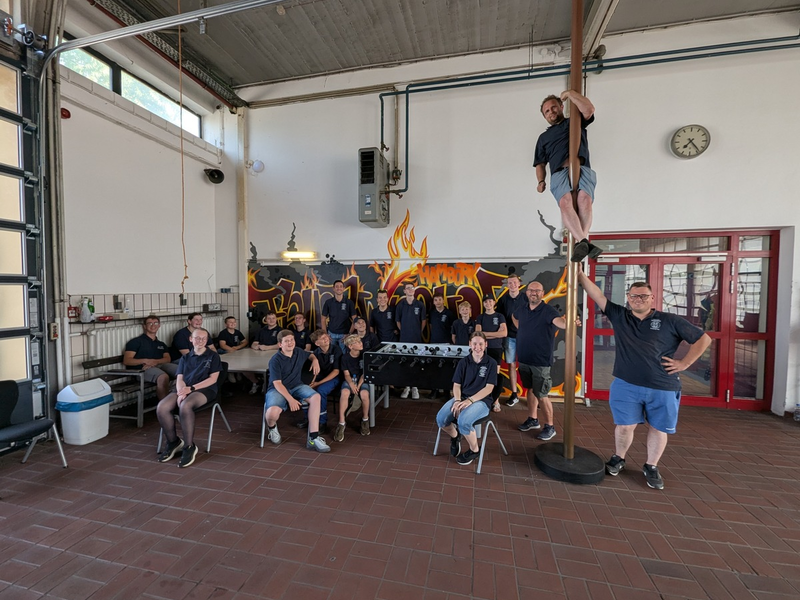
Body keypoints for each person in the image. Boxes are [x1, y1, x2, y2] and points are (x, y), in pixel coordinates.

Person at [578, 271, 711, 490]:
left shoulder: (669, 320)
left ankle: (651, 465)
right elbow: (596, 293)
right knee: (623, 427)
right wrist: (579, 272)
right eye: (633, 296)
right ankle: (619, 458)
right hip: (625, 384)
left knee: (658, 429)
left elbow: (703, 339)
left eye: (643, 296)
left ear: (651, 299)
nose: (638, 299)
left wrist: (685, 364)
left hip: (663, 386)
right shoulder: (620, 315)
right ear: (628, 298)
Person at [534, 91, 602, 263]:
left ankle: (582, 241)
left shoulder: (575, 122)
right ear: (544, 116)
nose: (551, 112)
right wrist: (540, 181)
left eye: (553, 107)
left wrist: (570, 93)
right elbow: (540, 163)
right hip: (559, 172)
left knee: (584, 200)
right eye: (547, 111)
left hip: (582, 167)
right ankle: (584, 242)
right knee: (565, 203)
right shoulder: (543, 138)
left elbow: (589, 109)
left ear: (561, 107)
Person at [156, 328, 222, 468]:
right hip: (185, 389)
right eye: (197, 338)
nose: (201, 341)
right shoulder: (185, 358)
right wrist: (181, 391)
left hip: (205, 390)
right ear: (191, 339)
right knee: (162, 407)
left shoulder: (213, 356)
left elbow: (213, 379)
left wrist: (190, 389)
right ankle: (173, 442)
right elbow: (180, 377)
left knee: (185, 406)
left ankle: (189, 446)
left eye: (204, 338)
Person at [513, 281, 569, 442]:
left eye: (537, 291)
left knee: (542, 394)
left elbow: (560, 323)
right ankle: (533, 419)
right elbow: (514, 317)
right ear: (527, 292)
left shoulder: (548, 311)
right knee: (530, 389)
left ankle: (550, 426)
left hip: (540, 361)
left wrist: (568, 323)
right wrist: (522, 328)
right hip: (524, 358)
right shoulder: (522, 309)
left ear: (542, 293)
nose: (533, 293)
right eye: (531, 290)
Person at [435, 332, 497, 466]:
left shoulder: (491, 363)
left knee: (463, 421)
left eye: (481, 344)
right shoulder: (463, 362)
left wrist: (470, 401)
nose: (477, 347)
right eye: (474, 343)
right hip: (462, 398)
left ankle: (474, 450)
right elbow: (456, 385)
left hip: (482, 402)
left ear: (486, 344)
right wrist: (457, 401)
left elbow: (489, 388)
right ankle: (455, 436)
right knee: (441, 419)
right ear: (470, 344)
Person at [264, 330, 331, 453]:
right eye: (286, 341)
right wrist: (290, 400)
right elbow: (277, 384)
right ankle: (272, 428)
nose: (290, 343)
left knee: (316, 397)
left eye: (292, 340)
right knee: (272, 414)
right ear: (280, 345)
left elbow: (310, 354)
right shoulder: (275, 360)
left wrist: (315, 360)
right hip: (278, 389)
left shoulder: (298, 352)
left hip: (297, 386)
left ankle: (313, 437)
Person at [123, 315, 175, 400]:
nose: (153, 325)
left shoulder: (161, 344)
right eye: (149, 323)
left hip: (159, 366)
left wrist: (155, 362)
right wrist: (146, 361)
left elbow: (167, 359)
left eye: (155, 323)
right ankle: (165, 408)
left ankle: (182, 403)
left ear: (159, 325)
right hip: (141, 370)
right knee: (163, 377)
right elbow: (127, 360)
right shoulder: (136, 342)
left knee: (182, 371)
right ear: (144, 326)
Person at [334, 334, 372, 442]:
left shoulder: (364, 355)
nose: (361, 343)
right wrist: (351, 384)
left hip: (361, 380)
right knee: (345, 392)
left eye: (360, 341)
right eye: (358, 342)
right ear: (350, 346)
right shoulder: (345, 357)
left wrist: (358, 386)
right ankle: (341, 423)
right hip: (350, 380)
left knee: (364, 394)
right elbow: (346, 374)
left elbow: (364, 373)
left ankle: (365, 420)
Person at [497, 274, 527, 406]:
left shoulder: (526, 298)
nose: (512, 285)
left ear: (519, 284)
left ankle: (533, 395)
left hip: (526, 337)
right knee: (511, 364)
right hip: (509, 337)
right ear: (507, 284)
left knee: (528, 365)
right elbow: (499, 318)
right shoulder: (503, 300)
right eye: (510, 283)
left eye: (514, 282)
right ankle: (514, 394)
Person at [475, 294, 506, 412]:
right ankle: (482, 398)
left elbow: (504, 333)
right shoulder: (480, 317)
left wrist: (485, 334)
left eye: (490, 301)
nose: (488, 303)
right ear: (483, 304)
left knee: (495, 375)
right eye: (485, 302)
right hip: (482, 349)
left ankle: (496, 401)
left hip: (496, 348)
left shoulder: (500, 316)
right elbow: (478, 334)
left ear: (494, 302)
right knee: (482, 373)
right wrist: (495, 333)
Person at [396, 281, 427, 399]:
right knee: (405, 363)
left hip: (416, 339)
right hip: (404, 339)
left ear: (414, 290)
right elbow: (397, 321)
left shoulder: (420, 305)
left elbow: (423, 321)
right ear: (404, 291)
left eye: (411, 288)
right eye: (407, 288)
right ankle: (406, 387)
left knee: (416, 362)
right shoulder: (400, 305)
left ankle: (415, 387)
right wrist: (404, 331)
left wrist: (418, 331)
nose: (410, 290)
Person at [308, 328, 343, 431]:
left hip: (334, 377)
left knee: (321, 390)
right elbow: (315, 371)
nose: (326, 339)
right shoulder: (316, 353)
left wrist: (318, 383)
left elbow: (336, 371)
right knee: (306, 389)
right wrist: (312, 382)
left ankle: (322, 422)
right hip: (321, 376)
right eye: (322, 338)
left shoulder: (336, 349)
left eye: (326, 336)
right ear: (317, 343)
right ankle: (308, 419)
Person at [217, 316, 259, 394]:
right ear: (226, 324)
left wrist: (237, 347)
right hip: (225, 351)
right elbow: (223, 345)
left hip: (235, 350)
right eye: (230, 322)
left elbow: (245, 342)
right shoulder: (223, 333)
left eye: (234, 322)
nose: (232, 323)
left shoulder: (237, 332)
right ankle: (231, 372)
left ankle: (239, 372)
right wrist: (232, 350)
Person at [428, 293, 455, 398]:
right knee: (434, 368)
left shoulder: (449, 313)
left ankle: (446, 391)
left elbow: (453, 329)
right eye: (436, 300)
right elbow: (431, 327)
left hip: (446, 343)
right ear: (433, 302)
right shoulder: (432, 313)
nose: (438, 302)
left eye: (440, 300)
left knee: (446, 368)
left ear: (443, 301)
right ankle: (434, 390)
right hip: (434, 343)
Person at [322, 280, 356, 350]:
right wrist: (325, 334)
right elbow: (323, 319)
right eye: (337, 286)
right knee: (331, 355)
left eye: (341, 286)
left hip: (344, 334)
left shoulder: (349, 302)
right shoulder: (328, 302)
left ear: (344, 288)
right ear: (333, 288)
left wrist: (349, 334)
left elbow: (355, 319)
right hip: (331, 334)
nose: (339, 288)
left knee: (344, 355)